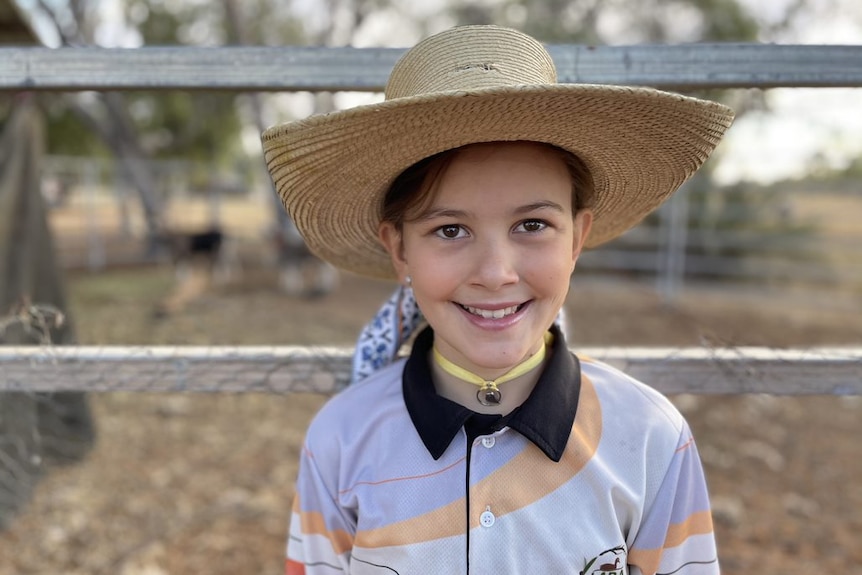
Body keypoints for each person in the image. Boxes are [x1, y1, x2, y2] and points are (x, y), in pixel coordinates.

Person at [261, 24, 733, 575]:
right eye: (450, 230)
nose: (495, 273)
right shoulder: (341, 439)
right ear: (399, 250)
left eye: (532, 224)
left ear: (577, 239)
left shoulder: (651, 438)